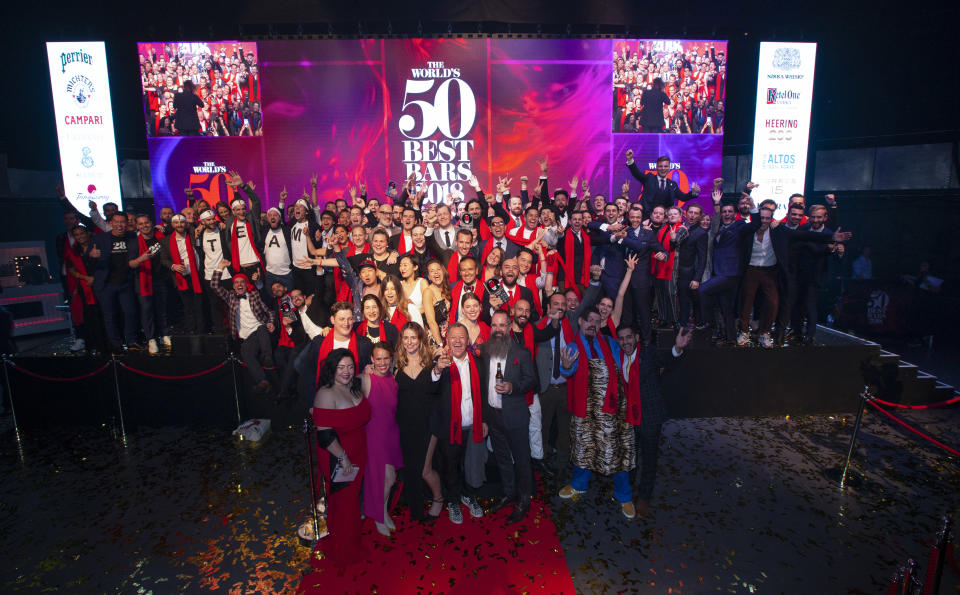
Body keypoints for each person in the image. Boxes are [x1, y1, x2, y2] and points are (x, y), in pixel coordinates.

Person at [557, 307, 635, 518]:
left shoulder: (610, 343)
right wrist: (565, 367)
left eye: (597, 321)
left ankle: (624, 495)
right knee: (583, 449)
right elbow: (568, 370)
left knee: (618, 451)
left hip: (612, 410)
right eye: (589, 320)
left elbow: (626, 362)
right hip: (586, 410)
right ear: (581, 322)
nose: (593, 324)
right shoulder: (572, 346)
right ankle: (579, 484)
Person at [616, 324, 690, 518]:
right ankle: (627, 490)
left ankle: (644, 498)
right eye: (622, 338)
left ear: (637, 337)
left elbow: (668, 360)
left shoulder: (648, 353)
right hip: (629, 417)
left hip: (650, 416)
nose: (626, 342)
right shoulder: (618, 358)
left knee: (649, 459)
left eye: (629, 337)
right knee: (630, 456)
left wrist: (678, 348)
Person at [311, 349, 371, 567]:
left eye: (350, 367)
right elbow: (324, 435)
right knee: (345, 502)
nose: (346, 372)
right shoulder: (326, 394)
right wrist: (344, 458)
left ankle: (348, 540)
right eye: (341, 367)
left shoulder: (354, 386)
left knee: (352, 500)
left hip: (359, 452)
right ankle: (344, 549)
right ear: (332, 369)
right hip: (338, 457)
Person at [483, 311, 538, 523]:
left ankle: (524, 498)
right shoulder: (486, 351)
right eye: (494, 326)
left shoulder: (521, 353)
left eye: (502, 325)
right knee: (503, 459)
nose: (498, 329)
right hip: (494, 417)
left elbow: (532, 380)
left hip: (515, 417)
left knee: (522, 460)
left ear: (509, 327)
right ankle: (509, 492)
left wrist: (513, 387)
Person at [431, 323, 488, 525]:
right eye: (453, 337)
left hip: (473, 425)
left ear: (467, 340)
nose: (457, 341)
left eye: (461, 337)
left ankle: (468, 495)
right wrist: (436, 369)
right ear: (447, 341)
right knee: (451, 466)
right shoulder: (441, 363)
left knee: (471, 465)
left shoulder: (478, 363)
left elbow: (484, 394)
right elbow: (431, 389)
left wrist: (485, 420)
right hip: (450, 427)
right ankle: (453, 500)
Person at [395, 323, 444, 522]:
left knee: (425, 468)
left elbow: (436, 389)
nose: (409, 342)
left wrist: (439, 371)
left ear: (420, 339)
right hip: (405, 424)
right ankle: (415, 505)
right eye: (406, 338)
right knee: (410, 468)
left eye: (413, 337)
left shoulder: (431, 361)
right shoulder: (396, 364)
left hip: (428, 423)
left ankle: (439, 499)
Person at [211, 259, 276, 394]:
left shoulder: (254, 295)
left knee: (261, 328)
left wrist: (270, 322)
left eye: (242, 282)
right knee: (245, 351)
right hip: (246, 337)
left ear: (246, 285)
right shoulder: (230, 297)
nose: (239, 284)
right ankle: (263, 381)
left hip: (261, 331)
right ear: (233, 286)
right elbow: (215, 286)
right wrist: (219, 268)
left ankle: (267, 357)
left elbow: (270, 311)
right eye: (236, 282)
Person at [360, 342, 403, 536]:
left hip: (391, 433)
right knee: (386, 478)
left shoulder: (394, 379)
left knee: (387, 480)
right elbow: (343, 386)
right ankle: (378, 515)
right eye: (378, 359)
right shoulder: (365, 379)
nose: (383, 362)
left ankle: (382, 512)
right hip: (374, 435)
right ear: (372, 359)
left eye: (386, 358)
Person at [88, 212, 139, 352]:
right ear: (111, 223)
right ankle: (116, 345)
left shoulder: (132, 236)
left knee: (130, 312)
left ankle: (131, 341)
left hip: (125, 283)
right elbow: (87, 258)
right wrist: (92, 256)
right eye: (116, 222)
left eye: (122, 222)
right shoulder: (99, 238)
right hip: (106, 284)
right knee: (109, 316)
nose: (119, 225)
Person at [128, 213, 169, 354]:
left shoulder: (161, 237)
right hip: (143, 281)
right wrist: (142, 258)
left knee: (162, 309)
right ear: (137, 226)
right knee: (147, 311)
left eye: (146, 222)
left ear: (151, 223)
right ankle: (151, 339)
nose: (144, 226)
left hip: (161, 279)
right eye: (141, 224)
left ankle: (164, 334)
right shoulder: (134, 242)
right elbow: (131, 264)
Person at [63, 225, 107, 353]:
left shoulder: (97, 246)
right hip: (85, 286)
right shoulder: (73, 251)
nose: (80, 237)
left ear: (87, 233)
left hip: (102, 285)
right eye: (77, 235)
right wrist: (86, 278)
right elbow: (71, 270)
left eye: (82, 233)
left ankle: (106, 344)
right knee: (89, 316)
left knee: (104, 315)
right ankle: (93, 344)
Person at [163, 214, 204, 335]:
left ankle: (201, 330)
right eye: (176, 222)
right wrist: (173, 266)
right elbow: (163, 259)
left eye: (182, 222)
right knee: (187, 306)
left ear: (186, 224)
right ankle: (191, 330)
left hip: (196, 276)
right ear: (172, 224)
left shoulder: (192, 235)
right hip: (180, 278)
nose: (179, 225)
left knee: (199, 305)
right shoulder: (166, 241)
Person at [625, 150, 700, 215]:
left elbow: (683, 197)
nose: (663, 168)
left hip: (665, 219)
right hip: (646, 217)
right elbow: (636, 173)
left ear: (669, 167)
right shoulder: (649, 178)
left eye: (665, 166)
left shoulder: (672, 185)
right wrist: (630, 160)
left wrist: (693, 192)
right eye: (660, 166)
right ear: (656, 167)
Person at [422, 259, 451, 347]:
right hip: (436, 338)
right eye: (432, 271)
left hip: (449, 336)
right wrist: (440, 344)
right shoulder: (428, 292)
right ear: (429, 276)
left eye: (438, 269)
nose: (436, 273)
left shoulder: (446, 288)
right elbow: (431, 322)